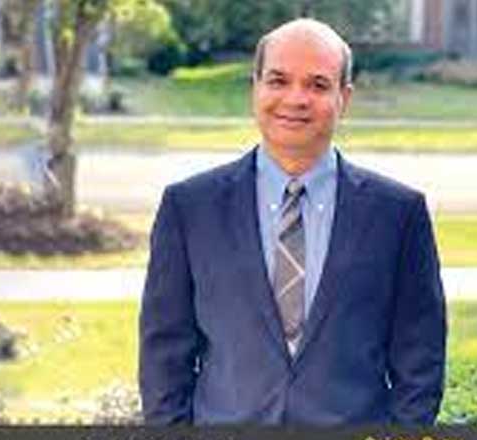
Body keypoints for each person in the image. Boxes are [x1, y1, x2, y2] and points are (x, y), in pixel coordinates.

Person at [138, 18, 446, 426]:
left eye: (317, 85)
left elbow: (420, 358)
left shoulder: (398, 214)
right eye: (278, 81)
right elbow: (164, 355)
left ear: (344, 98)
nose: (296, 98)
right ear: (256, 87)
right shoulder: (190, 208)